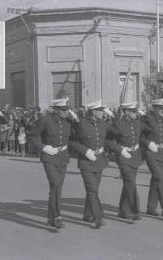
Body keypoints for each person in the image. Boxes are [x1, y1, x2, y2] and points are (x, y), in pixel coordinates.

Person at [28, 98, 78, 230]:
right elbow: (32, 135)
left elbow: (76, 136)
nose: (66, 112)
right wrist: (43, 147)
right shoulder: (45, 120)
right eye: (63, 109)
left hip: (63, 157)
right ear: (55, 110)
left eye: (67, 109)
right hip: (49, 156)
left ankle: (51, 217)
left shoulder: (68, 122)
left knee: (56, 188)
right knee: (56, 184)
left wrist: (76, 120)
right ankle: (57, 217)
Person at [69, 100, 119, 228]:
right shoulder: (81, 124)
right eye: (100, 110)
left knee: (93, 190)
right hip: (86, 161)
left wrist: (114, 116)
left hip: (100, 160)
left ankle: (87, 215)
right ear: (93, 111)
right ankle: (98, 217)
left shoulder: (103, 123)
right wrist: (85, 151)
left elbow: (117, 132)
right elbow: (72, 142)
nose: (103, 112)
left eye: (103, 110)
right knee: (92, 189)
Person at [109, 101, 151, 221]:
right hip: (123, 156)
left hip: (135, 156)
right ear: (127, 112)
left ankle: (123, 210)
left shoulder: (138, 123)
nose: (136, 113)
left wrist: (145, 115)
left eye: (136, 111)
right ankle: (135, 211)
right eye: (133, 111)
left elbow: (151, 129)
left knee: (128, 184)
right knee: (131, 183)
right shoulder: (119, 124)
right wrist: (119, 150)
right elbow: (110, 140)